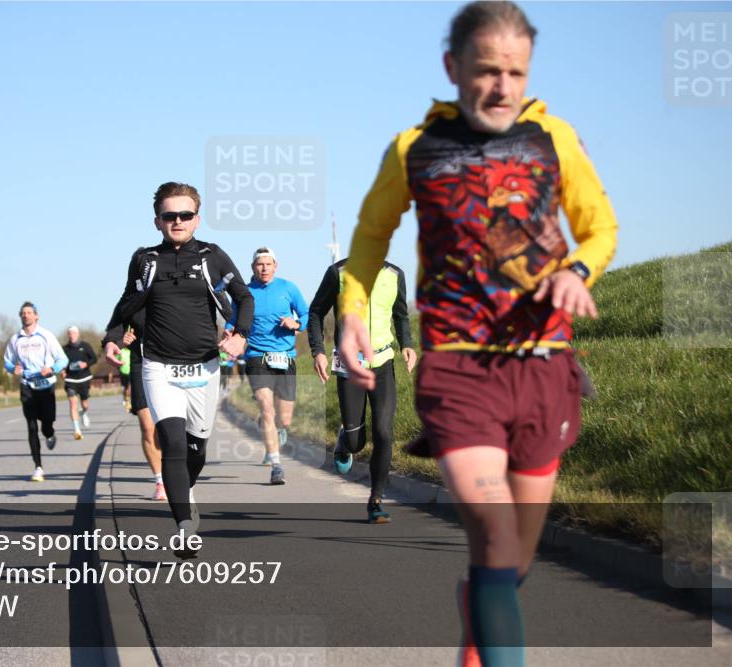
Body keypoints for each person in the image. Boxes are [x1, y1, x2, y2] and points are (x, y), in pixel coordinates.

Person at [337, 3, 618, 665]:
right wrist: (352, 309)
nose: (502, 86)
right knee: (493, 539)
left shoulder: (556, 138)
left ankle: (482, 610)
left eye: (515, 72)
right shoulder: (414, 148)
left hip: (545, 366)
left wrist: (578, 269)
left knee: (514, 558)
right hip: (458, 368)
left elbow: (600, 226)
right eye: (487, 70)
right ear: (452, 68)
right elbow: (371, 236)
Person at [105, 182, 253, 558]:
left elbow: (244, 298)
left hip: (204, 366)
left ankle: (184, 491)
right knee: (170, 440)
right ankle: (185, 527)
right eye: (170, 215)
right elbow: (126, 302)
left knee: (195, 448)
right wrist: (112, 336)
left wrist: (240, 335)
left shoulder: (211, 256)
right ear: (157, 221)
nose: (178, 221)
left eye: (185, 215)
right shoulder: (145, 260)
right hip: (158, 366)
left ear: (197, 219)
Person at [308, 258, 416, 522]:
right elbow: (315, 312)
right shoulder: (338, 272)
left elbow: (400, 314)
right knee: (357, 444)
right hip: (349, 362)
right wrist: (318, 351)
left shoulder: (394, 275)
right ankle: (346, 439)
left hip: (382, 361)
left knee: (383, 432)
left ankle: (375, 500)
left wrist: (407, 343)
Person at [231, 247, 309, 485]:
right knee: (266, 407)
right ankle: (276, 464)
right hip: (257, 356)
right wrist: (228, 332)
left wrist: (294, 323)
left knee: (283, 419)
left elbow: (306, 315)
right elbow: (234, 319)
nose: (264, 268)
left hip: (285, 356)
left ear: (276, 266)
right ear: (253, 267)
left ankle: (276, 428)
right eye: (259, 264)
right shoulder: (245, 292)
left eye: (268, 264)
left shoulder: (288, 288)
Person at [103, 305, 167, 502]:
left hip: (174, 363)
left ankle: (176, 470)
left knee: (170, 429)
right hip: (142, 364)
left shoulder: (174, 289)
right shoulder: (134, 296)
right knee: (148, 428)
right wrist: (118, 341)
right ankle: (160, 481)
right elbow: (115, 329)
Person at [2, 301, 69, 482]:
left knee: (46, 424)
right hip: (27, 386)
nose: (26, 315)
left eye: (29, 312)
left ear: (36, 316)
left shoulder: (46, 336)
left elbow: (63, 359)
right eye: (23, 313)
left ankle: (50, 433)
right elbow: (7, 361)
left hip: (46, 386)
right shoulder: (16, 339)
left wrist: (52, 369)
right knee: (31, 426)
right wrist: (12, 369)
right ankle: (38, 467)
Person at [62, 325, 97, 440]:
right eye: (70, 333)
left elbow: (94, 358)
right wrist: (62, 371)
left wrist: (85, 364)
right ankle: (77, 430)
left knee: (85, 405)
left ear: (77, 334)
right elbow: (60, 362)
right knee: (73, 404)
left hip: (84, 378)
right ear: (68, 335)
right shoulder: (65, 349)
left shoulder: (85, 346)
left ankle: (84, 413)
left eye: (74, 333)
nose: (72, 335)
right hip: (70, 380)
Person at [118, 345, 132, 411]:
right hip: (123, 371)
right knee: (125, 388)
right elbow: (116, 359)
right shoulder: (121, 351)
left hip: (131, 371)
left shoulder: (131, 351)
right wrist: (120, 363)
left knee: (130, 388)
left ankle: (129, 401)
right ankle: (125, 399)